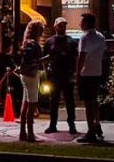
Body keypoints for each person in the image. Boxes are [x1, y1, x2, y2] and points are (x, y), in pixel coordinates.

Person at [43, 17, 79, 135]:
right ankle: (52, 124)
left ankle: (71, 124)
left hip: (67, 74)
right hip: (54, 75)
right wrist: (47, 73)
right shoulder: (49, 42)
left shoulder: (71, 42)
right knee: (54, 100)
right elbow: (45, 58)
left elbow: (76, 58)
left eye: (63, 25)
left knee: (69, 101)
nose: (62, 28)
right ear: (55, 27)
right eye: (59, 25)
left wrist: (74, 73)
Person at [76, 13, 107, 143]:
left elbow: (82, 57)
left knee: (88, 103)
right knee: (94, 101)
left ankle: (90, 131)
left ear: (87, 23)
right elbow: (104, 54)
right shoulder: (100, 37)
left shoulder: (85, 38)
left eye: (82, 22)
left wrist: (77, 73)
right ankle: (97, 125)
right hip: (97, 72)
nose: (80, 24)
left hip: (86, 73)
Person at [17, 20, 47, 142]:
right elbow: (33, 60)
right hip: (31, 74)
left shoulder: (26, 42)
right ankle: (30, 133)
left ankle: (23, 132)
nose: (42, 33)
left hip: (25, 74)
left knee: (25, 103)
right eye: (41, 30)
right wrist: (44, 60)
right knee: (32, 103)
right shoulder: (33, 44)